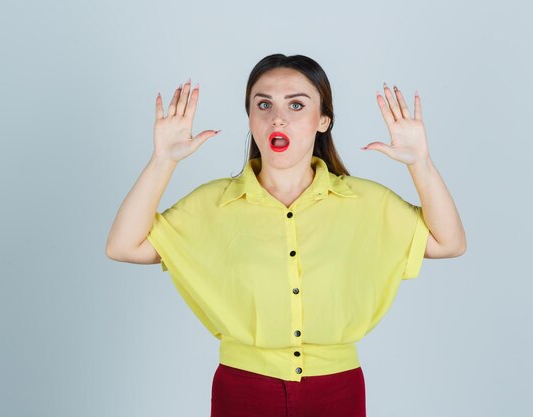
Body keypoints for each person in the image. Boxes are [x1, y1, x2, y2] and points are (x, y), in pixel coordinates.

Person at [105, 54, 466, 417]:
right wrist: (163, 160)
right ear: (250, 117)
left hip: (338, 389)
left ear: (323, 119)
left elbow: (448, 242)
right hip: (242, 387)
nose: (278, 118)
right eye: (264, 104)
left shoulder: (366, 202)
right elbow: (123, 246)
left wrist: (420, 164)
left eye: (296, 104)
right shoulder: (212, 204)